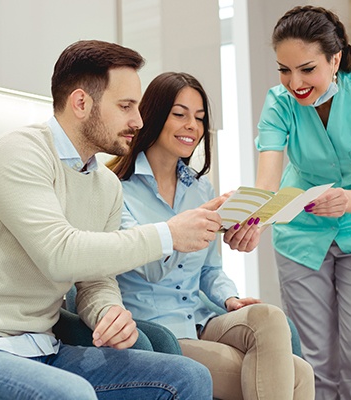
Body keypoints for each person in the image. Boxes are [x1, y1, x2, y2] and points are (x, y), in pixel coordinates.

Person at [0, 40, 220, 400]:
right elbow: (60, 254)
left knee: (189, 378)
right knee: (72, 395)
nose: (138, 121)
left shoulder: (105, 184)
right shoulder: (19, 153)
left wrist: (108, 311)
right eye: (125, 106)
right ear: (81, 103)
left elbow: (94, 279)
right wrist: (168, 235)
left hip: (43, 347)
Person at [108, 71, 315, 400]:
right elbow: (149, 266)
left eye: (200, 118)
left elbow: (209, 270)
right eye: (180, 114)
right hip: (158, 330)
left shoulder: (200, 187)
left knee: (270, 317)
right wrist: (192, 224)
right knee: (297, 374)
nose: (192, 125)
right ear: (153, 115)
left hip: (202, 320)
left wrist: (229, 299)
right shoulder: (116, 190)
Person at [254, 6, 351, 400]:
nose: (295, 83)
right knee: (313, 362)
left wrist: (345, 200)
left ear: (335, 58)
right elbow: (267, 184)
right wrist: (250, 220)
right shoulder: (278, 102)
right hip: (301, 236)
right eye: (284, 70)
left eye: (307, 69)